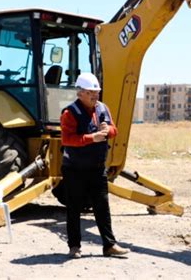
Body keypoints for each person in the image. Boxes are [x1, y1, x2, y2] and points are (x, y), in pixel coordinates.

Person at [60, 72, 130, 259]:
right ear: (80, 93)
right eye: (91, 92)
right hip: (74, 168)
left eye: (96, 92)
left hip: (97, 167)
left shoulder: (102, 109)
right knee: (74, 207)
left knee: (102, 207)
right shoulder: (69, 113)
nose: (95, 96)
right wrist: (93, 138)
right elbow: (67, 139)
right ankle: (74, 246)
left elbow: (114, 130)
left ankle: (109, 245)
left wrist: (109, 131)